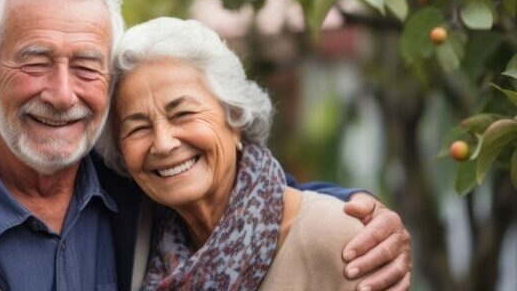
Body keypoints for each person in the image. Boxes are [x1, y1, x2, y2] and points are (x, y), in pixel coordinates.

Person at [0, 0, 411, 291]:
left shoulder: (140, 192)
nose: (62, 95)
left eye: (86, 66)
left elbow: (241, 200)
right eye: (35, 63)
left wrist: (351, 208)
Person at [98, 17, 396, 290]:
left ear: (236, 117)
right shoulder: (139, 241)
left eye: (183, 114)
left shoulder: (338, 238)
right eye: (137, 128)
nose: (163, 143)